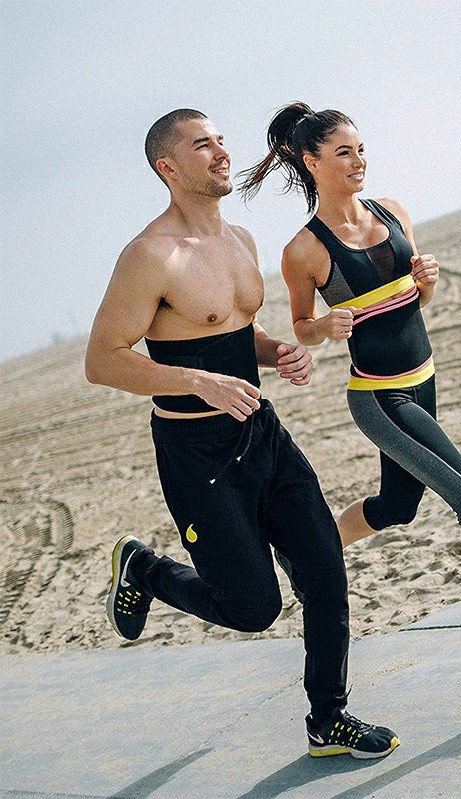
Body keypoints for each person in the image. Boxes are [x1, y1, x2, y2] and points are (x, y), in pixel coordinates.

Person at [238, 103, 461, 668]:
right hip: (380, 398)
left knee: (396, 507)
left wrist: (426, 284)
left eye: (361, 150)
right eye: (343, 153)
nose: (358, 162)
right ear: (311, 161)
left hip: (424, 381)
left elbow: (414, 302)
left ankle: (308, 556)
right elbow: (305, 327)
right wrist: (324, 329)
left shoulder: (393, 212)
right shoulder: (304, 250)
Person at [84, 109, 398, 760]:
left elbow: (230, 335)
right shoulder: (149, 255)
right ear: (168, 168)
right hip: (197, 453)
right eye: (203, 145)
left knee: (324, 572)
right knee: (253, 607)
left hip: (264, 435)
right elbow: (103, 359)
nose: (222, 152)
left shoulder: (241, 241)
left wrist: (276, 350)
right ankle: (145, 568)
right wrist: (197, 383)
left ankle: (327, 720)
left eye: (222, 140)